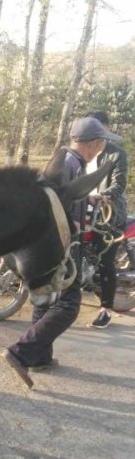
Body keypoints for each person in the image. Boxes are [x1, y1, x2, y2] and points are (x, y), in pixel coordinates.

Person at [2, 117, 122, 387]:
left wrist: (87, 198)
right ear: (93, 143)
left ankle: (40, 357)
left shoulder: (70, 162)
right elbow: (49, 200)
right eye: (102, 141)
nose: (103, 146)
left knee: (45, 301)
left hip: (49, 245)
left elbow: (62, 194)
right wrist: (71, 220)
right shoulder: (66, 163)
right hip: (52, 245)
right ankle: (19, 353)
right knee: (68, 304)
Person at [84, 111, 129, 328]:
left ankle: (106, 309)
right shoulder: (81, 153)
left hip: (108, 213)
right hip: (82, 209)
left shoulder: (117, 154)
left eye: (100, 129)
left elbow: (119, 184)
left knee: (105, 261)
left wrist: (104, 196)